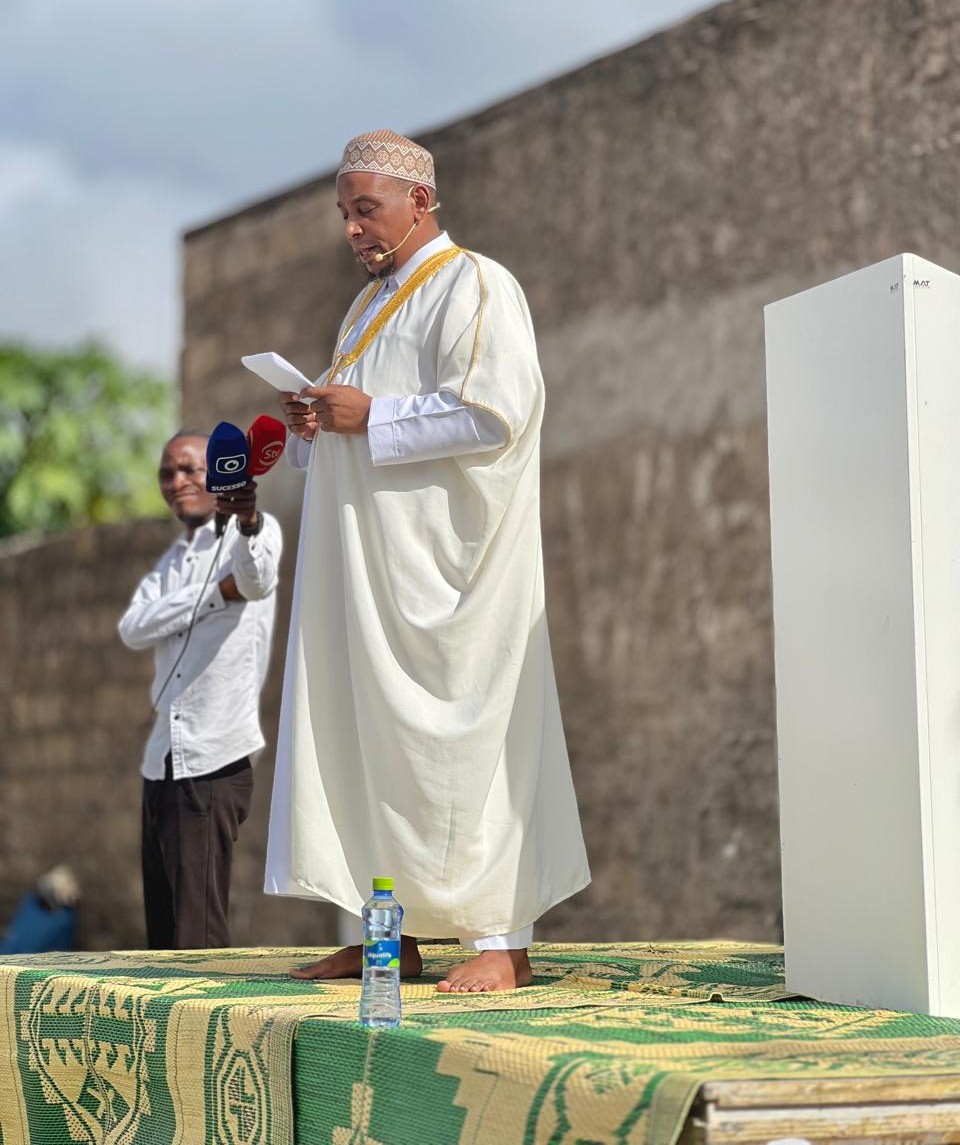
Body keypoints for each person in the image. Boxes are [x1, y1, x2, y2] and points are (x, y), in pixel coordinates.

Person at [264, 129, 589, 992]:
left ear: (422, 203)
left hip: (451, 573)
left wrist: (369, 416)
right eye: (344, 213)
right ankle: (387, 935)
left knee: (474, 740)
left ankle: (502, 939)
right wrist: (316, 428)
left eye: (365, 209)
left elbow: (496, 411)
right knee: (370, 742)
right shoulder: (363, 309)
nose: (352, 230)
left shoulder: (476, 284)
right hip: (367, 572)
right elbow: (360, 428)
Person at [118, 431, 282, 949]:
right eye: (168, 472)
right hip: (161, 760)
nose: (177, 482)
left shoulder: (251, 534)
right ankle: (164, 1032)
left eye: (190, 469)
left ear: (219, 472)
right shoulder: (170, 561)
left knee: (199, 935)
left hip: (213, 757)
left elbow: (254, 582)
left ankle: (205, 1032)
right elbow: (133, 627)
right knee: (164, 932)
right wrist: (214, 593)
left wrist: (248, 521)